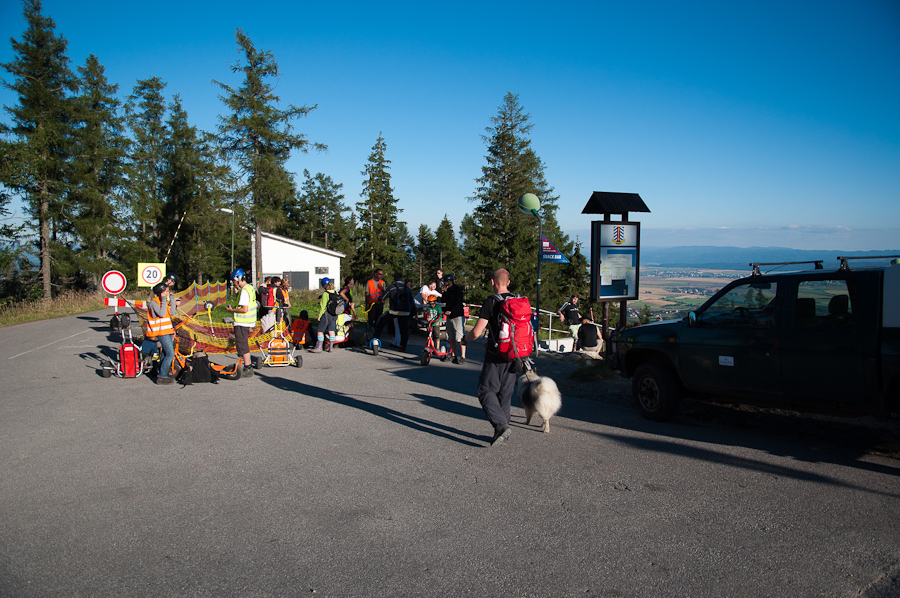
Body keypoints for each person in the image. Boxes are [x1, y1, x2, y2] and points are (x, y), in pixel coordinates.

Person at [462, 268, 516, 446]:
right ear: (508, 282)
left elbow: (476, 332)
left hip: (496, 353)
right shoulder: (518, 300)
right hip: (516, 353)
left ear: (493, 282)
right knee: (505, 393)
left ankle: (501, 426)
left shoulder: (491, 302)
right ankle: (502, 432)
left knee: (485, 390)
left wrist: (465, 339)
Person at [224, 268, 257, 377]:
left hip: (242, 322)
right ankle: (247, 366)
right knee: (243, 344)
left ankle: (247, 367)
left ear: (238, 279)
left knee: (242, 345)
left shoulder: (244, 291)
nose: (234, 283)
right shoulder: (249, 288)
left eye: (234, 281)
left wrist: (231, 310)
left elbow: (244, 309)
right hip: (248, 321)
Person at [373, 273, 414, 352]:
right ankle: (403, 346)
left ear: (394, 279)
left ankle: (376, 338)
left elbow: (382, 298)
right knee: (404, 329)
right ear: (402, 279)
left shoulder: (391, 287)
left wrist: (378, 301)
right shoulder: (407, 289)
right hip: (405, 312)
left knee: (381, 320)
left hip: (393, 311)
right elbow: (412, 302)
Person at [146, 281, 177, 385]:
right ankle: (162, 376)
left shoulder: (163, 301)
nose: (167, 293)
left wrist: (171, 300)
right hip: (161, 332)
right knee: (170, 354)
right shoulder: (154, 302)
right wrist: (164, 300)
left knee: (164, 353)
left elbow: (172, 313)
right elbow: (162, 313)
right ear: (160, 292)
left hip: (167, 331)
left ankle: (160, 371)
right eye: (166, 292)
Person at [442, 274, 467, 364]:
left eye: (445, 281)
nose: (444, 283)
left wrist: (452, 311)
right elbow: (443, 302)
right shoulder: (447, 290)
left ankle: (463, 356)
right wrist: (444, 292)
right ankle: (453, 355)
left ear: (450, 281)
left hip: (458, 316)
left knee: (460, 337)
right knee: (451, 337)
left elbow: (459, 303)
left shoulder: (457, 290)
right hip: (449, 316)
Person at [310, 278, 339, 353]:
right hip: (335, 315)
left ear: (323, 285)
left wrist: (319, 315)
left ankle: (319, 347)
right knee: (331, 331)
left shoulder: (326, 294)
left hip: (327, 314)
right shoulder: (336, 293)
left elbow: (323, 306)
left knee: (320, 330)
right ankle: (331, 347)